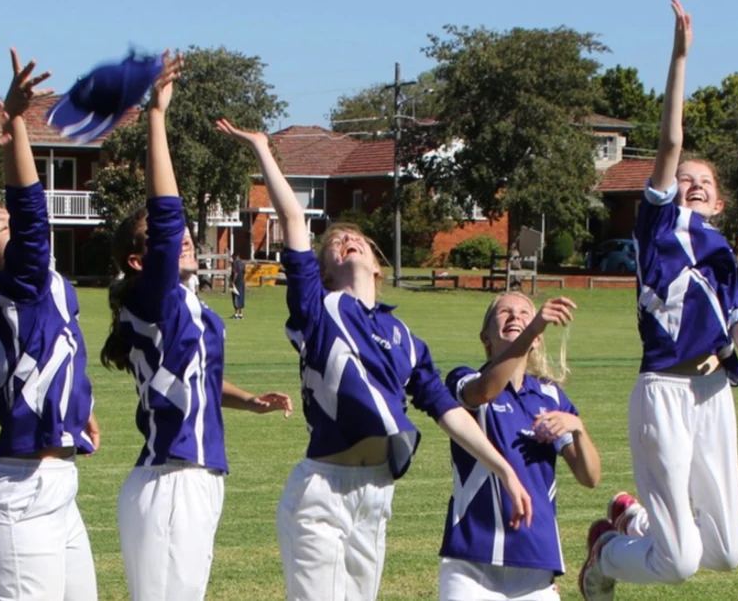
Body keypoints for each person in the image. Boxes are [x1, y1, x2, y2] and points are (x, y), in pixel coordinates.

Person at [220, 117, 535, 601]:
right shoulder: (316, 310)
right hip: (320, 491)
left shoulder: (404, 336)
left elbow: (450, 412)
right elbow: (295, 222)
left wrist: (503, 467)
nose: (346, 242)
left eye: (357, 241)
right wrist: (263, 150)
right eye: (334, 246)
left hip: (377, 494)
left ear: (375, 261)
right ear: (323, 272)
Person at [578, 0, 738, 600]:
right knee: (681, 561)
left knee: (731, 550)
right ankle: (605, 555)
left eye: (703, 185)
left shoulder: (724, 261)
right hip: (663, 390)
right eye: (685, 180)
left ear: (720, 204)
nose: (690, 185)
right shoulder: (658, 228)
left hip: (712, 396)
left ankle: (631, 520)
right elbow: (669, 142)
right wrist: (680, 57)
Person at [99, 52, 295, 601]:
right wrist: (157, 118)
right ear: (140, 261)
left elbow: (194, 381)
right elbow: (165, 211)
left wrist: (248, 400)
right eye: (165, 238)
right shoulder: (157, 297)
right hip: (171, 480)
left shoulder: (189, 306)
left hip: (196, 477)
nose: (183, 236)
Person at [0, 50, 102, 601]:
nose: (11, 226)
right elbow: (31, 211)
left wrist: (79, 404)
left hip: (53, 482)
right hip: (22, 492)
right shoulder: (12, 286)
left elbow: (54, 347)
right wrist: (17, 125)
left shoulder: (12, 291)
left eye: (3, 221)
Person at [438, 292, 597, 601]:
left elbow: (589, 477)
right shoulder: (465, 378)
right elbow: (483, 392)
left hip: (535, 563)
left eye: (524, 311)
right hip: (472, 561)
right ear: (485, 337)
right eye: (504, 312)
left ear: (537, 341)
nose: (515, 316)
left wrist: (578, 429)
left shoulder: (551, 397)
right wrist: (533, 326)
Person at [229, 255, 248, 320]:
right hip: (242, 282)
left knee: (235, 297)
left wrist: (232, 282)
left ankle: (236, 314)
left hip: (236, 283)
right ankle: (241, 314)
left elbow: (235, 273)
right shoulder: (242, 263)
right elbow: (244, 273)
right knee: (241, 297)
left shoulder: (235, 263)